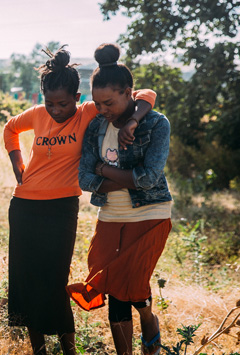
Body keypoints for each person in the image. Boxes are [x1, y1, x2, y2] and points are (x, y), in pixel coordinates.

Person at [3, 46, 156, 355]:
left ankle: (69, 349)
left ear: (77, 97)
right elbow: (10, 129)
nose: (56, 110)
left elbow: (147, 94)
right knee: (27, 278)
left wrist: (133, 121)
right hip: (24, 206)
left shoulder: (88, 112)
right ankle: (39, 350)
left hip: (61, 208)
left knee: (55, 279)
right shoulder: (37, 114)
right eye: (50, 104)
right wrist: (16, 163)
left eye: (62, 104)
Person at [66, 43, 172, 355]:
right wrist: (114, 176)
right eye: (97, 103)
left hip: (150, 215)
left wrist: (104, 170)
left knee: (134, 287)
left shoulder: (155, 123)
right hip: (110, 218)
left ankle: (148, 318)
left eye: (109, 102)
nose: (102, 110)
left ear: (129, 93)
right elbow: (85, 179)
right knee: (113, 287)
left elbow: (149, 178)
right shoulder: (96, 126)